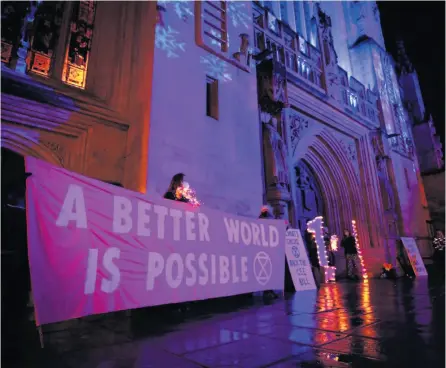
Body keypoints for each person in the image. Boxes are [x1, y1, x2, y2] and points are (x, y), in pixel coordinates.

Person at [258, 205, 279, 299]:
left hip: (271, 250)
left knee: (271, 271)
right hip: (263, 250)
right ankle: (267, 291)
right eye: (264, 210)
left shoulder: (271, 220)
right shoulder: (259, 220)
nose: (265, 211)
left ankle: (270, 290)